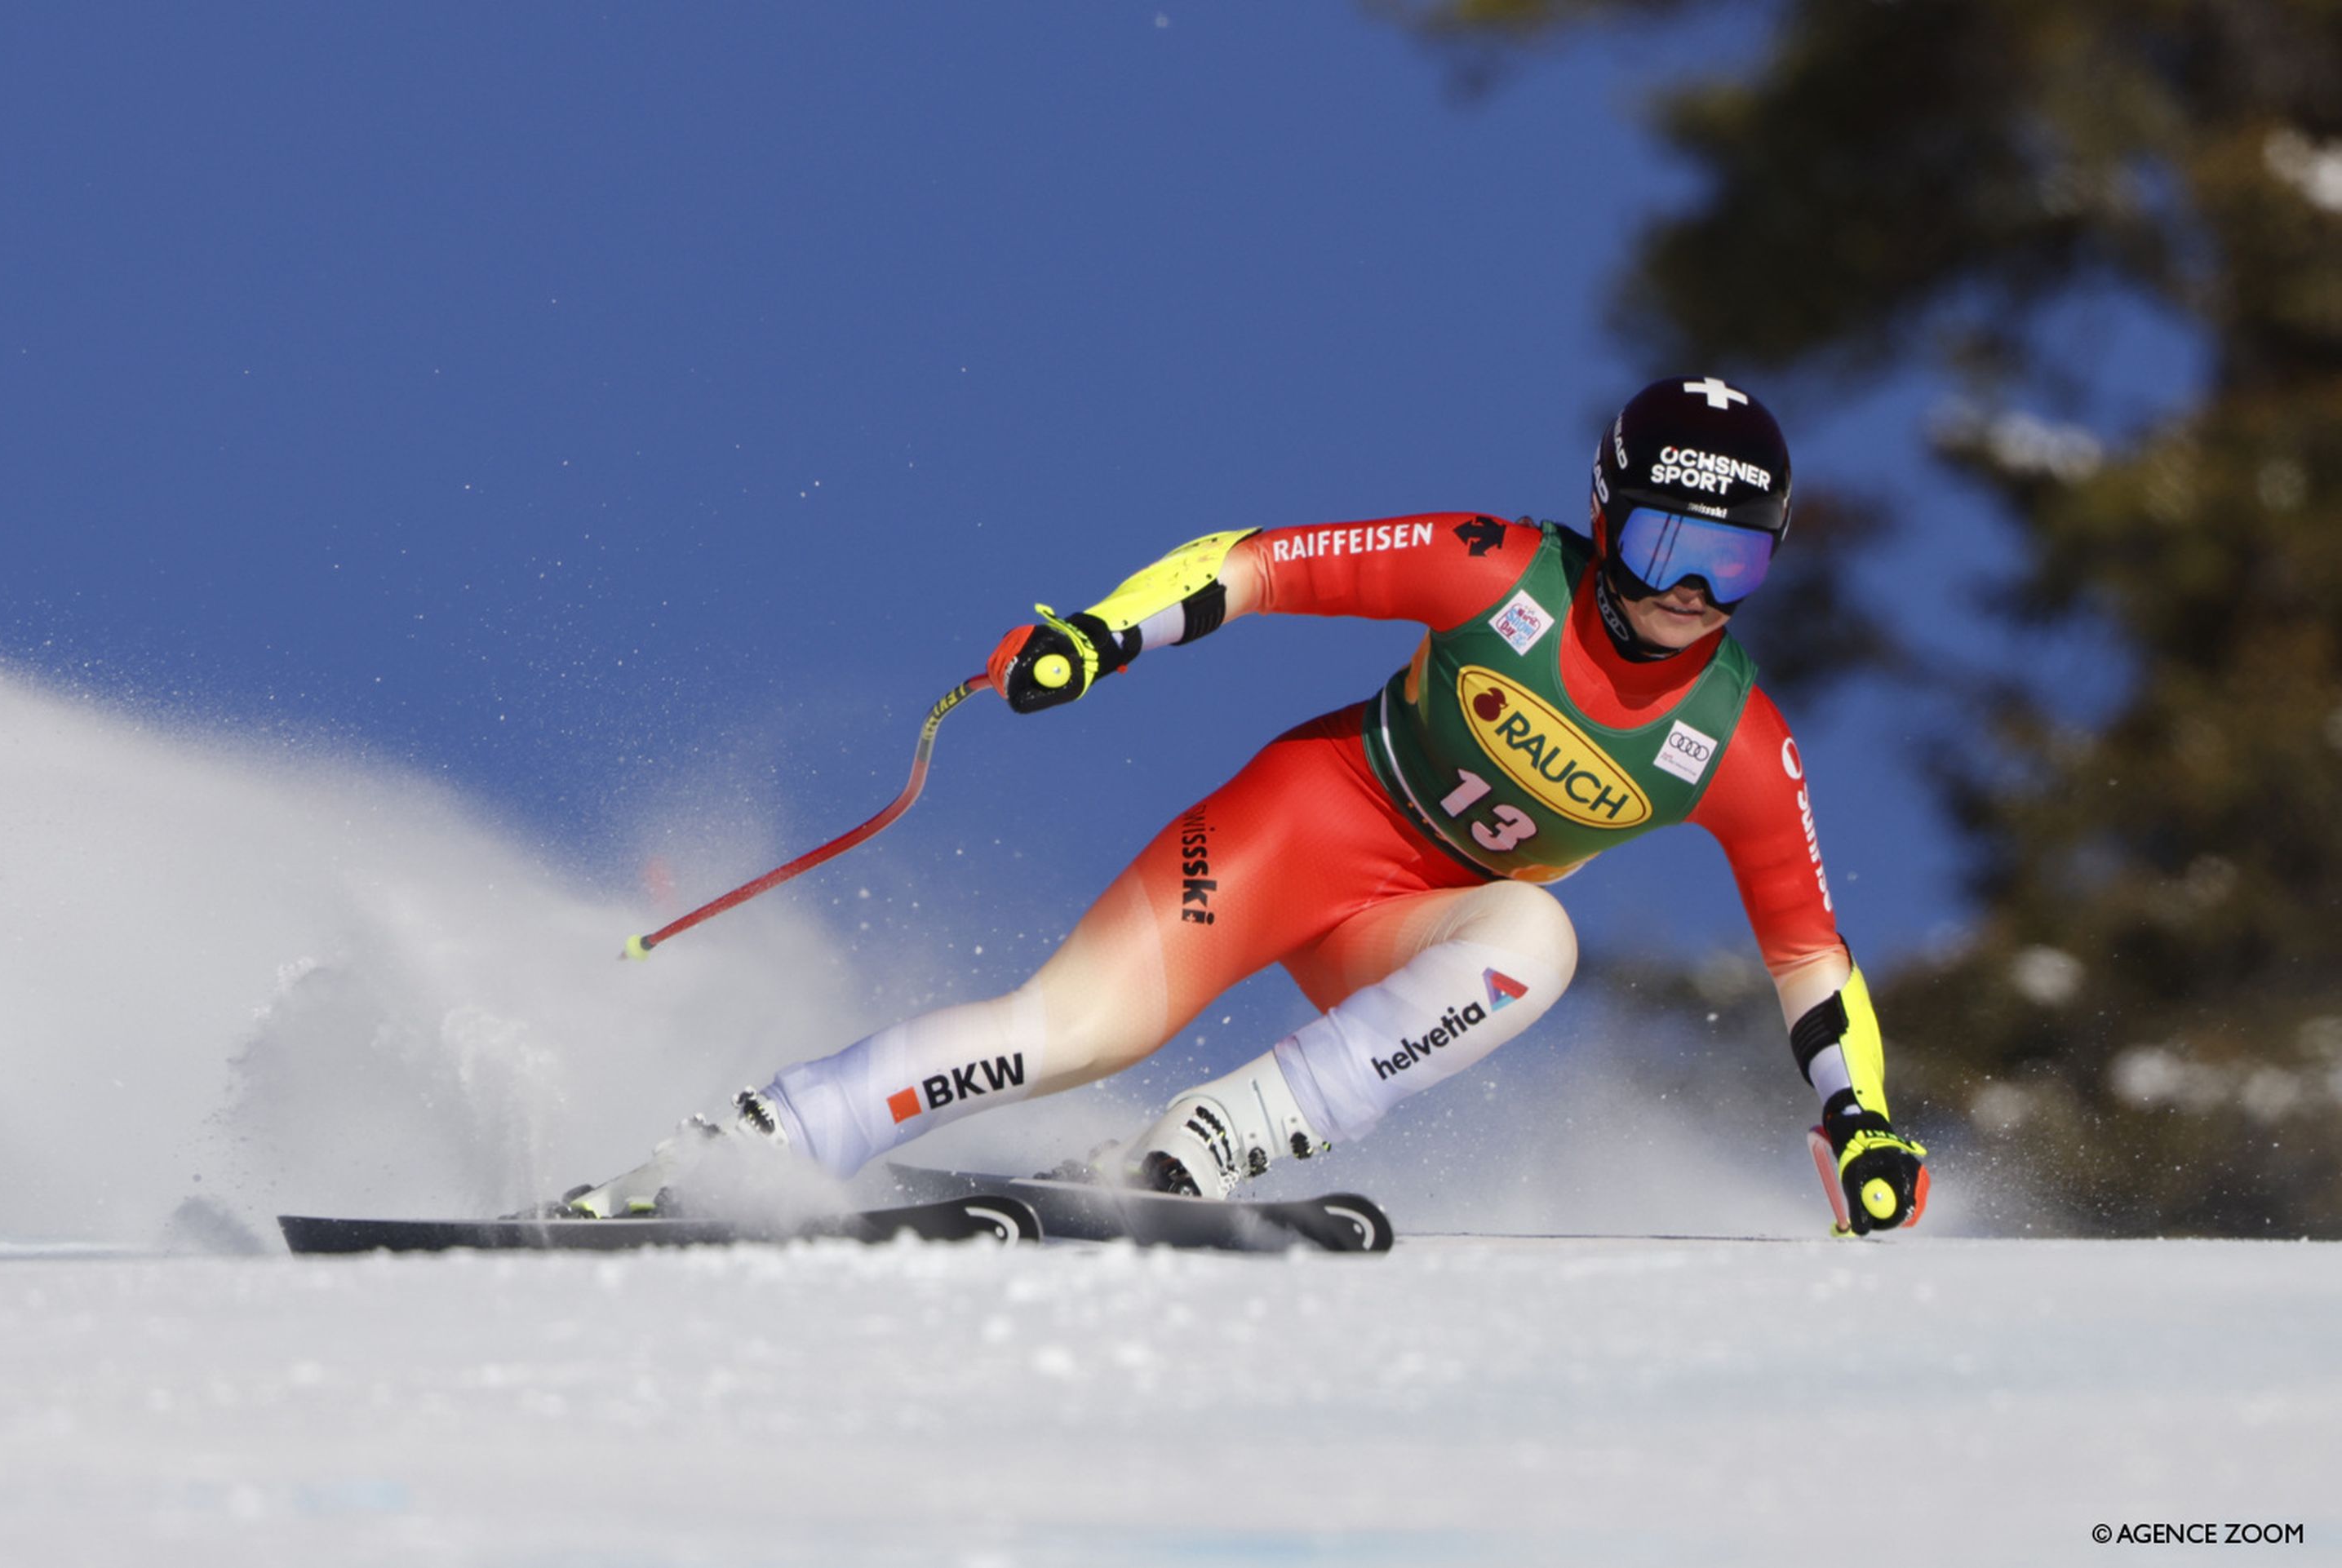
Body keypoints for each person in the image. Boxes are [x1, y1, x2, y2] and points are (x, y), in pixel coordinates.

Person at [570, 376, 1928, 1234]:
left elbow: (1810, 953)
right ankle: (745, 1148)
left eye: (1730, 565)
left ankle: (1211, 1141)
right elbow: (1264, 563)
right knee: (1065, 1032)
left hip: (1416, 928)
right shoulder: (1498, 571)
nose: (1686, 595)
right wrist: (1100, 636)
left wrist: (1857, 1116)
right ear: (1601, 515)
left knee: (1538, 945)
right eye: (1658, 547)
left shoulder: (1735, 742)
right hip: (1304, 825)